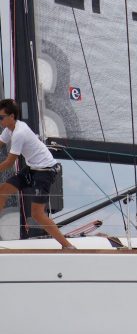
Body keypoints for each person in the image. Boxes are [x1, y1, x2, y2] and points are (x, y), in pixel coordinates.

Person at [0, 99, 75, 249]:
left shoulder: (19, 133)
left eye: (1, 117)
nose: (0, 120)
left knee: (37, 214)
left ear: (12, 116)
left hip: (45, 171)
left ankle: (68, 246)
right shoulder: (9, 129)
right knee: (3, 191)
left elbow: (9, 162)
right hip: (32, 168)